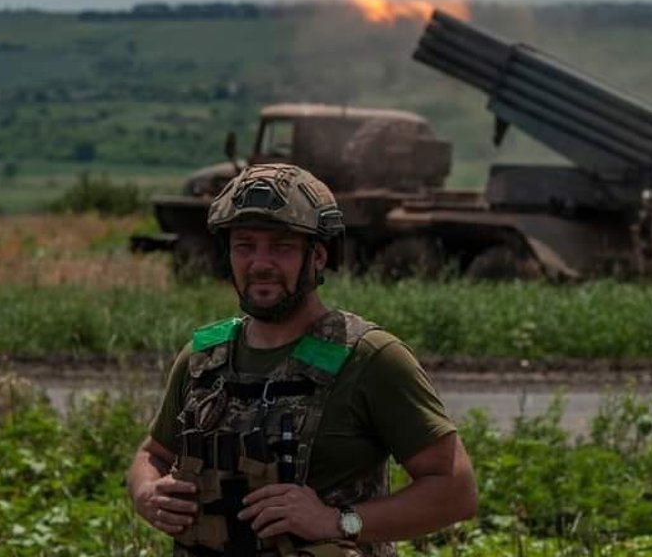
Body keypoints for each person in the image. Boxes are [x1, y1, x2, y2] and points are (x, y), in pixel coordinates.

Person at [127, 164, 478, 557]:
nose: (260, 263)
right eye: (244, 245)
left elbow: (455, 490)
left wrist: (338, 521)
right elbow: (153, 454)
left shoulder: (370, 358)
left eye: (281, 246)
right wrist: (146, 491)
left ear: (318, 257)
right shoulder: (204, 358)